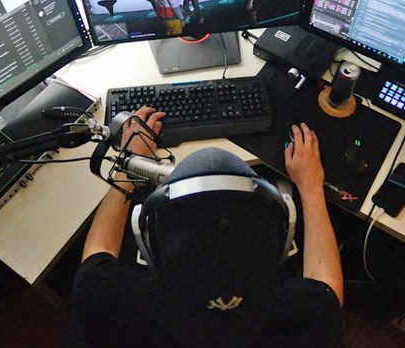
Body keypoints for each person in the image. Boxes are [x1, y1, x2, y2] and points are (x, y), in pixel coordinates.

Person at [67, 107, 344, 347]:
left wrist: (129, 165)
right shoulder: (305, 315)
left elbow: (98, 251)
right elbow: (327, 290)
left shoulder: (109, 296)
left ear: (148, 251)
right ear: (284, 246)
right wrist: (310, 188)